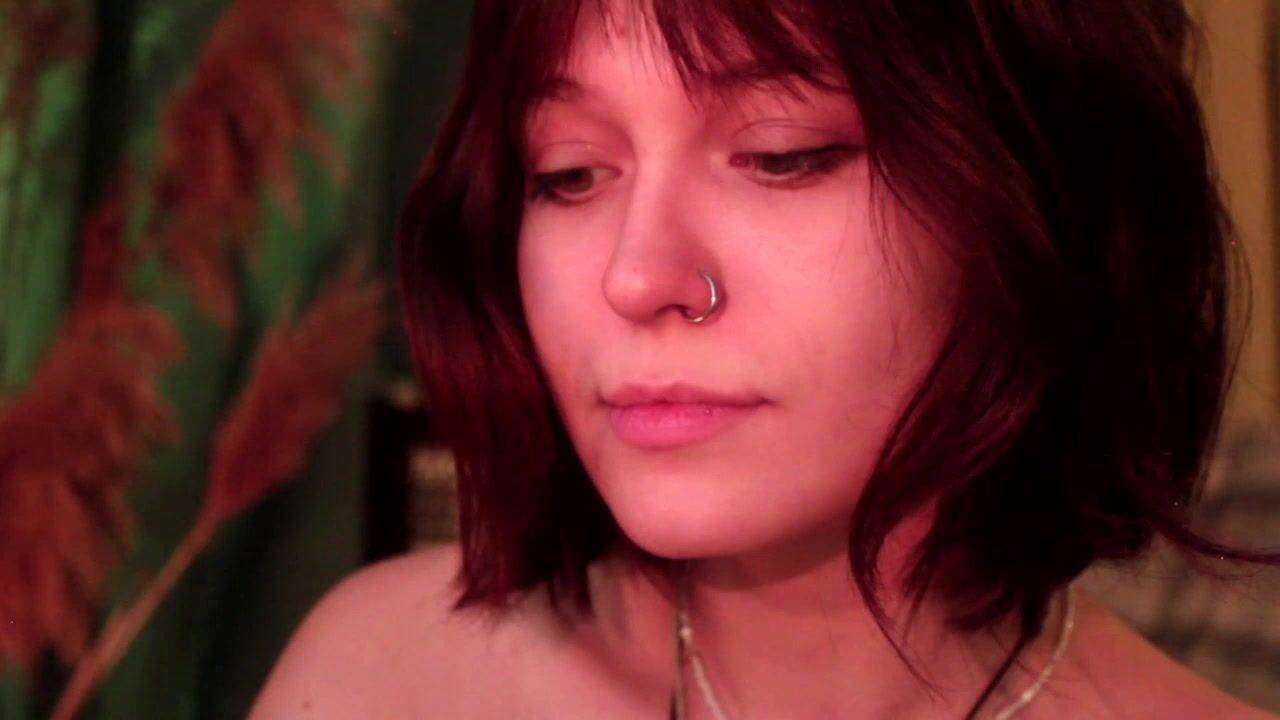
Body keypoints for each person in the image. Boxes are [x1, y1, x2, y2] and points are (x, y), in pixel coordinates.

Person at [252, 0, 1280, 717]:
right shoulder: (381, 673)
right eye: (568, 173)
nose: (636, 276)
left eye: (783, 154)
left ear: (1040, 196)